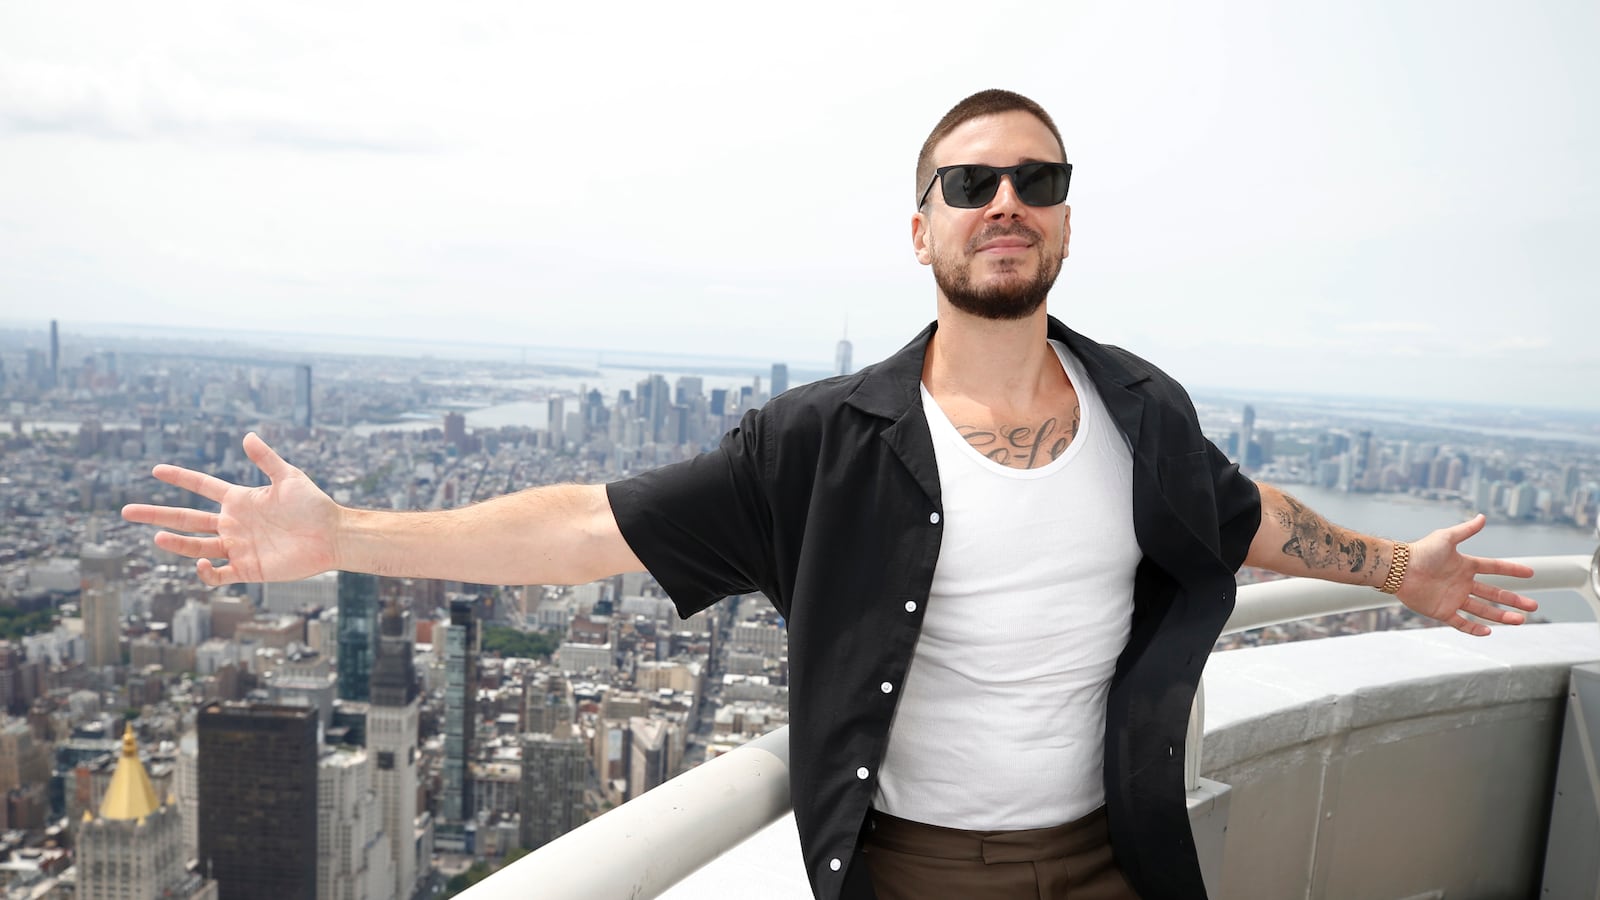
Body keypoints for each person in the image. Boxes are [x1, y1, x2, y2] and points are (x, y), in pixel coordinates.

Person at [122, 89, 1538, 900]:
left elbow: (1249, 519)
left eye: (1035, 178)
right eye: (969, 179)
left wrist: (1395, 570)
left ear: (1064, 215)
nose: (1005, 200)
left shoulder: (1143, 412)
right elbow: (586, 522)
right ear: (919, 223)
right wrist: (346, 538)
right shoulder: (820, 441)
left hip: (1121, 858)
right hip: (912, 873)